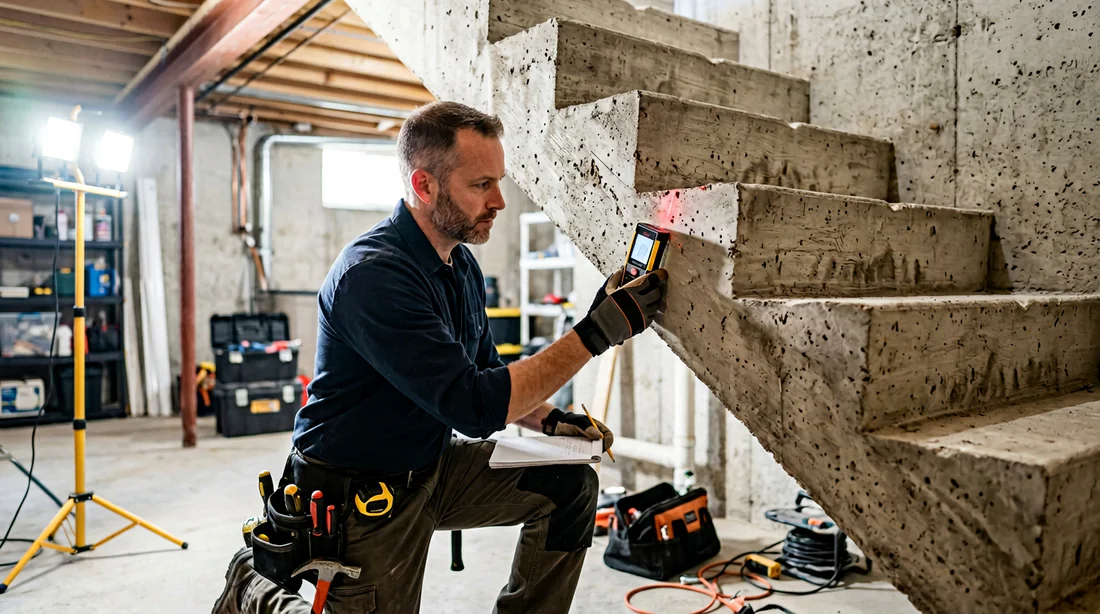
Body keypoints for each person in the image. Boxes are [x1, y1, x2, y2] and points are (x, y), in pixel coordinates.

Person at [212, 101, 668, 614]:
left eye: (498, 182)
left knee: (570, 484)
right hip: (360, 491)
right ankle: (256, 589)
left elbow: (489, 377)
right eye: (480, 185)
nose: (499, 200)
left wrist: (553, 422)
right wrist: (595, 332)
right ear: (424, 185)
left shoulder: (459, 264)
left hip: (429, 464)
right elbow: (474, 408)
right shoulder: (374, 276)